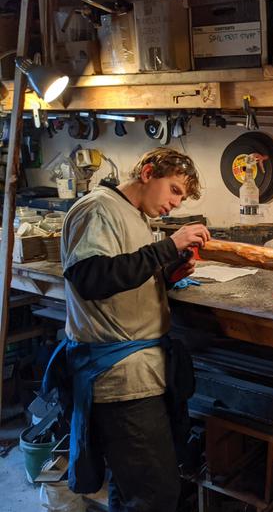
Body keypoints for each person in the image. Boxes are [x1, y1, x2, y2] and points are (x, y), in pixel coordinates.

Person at [47, 147, 211, 511]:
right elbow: (89, 278)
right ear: (149, 172)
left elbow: (119, 282)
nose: (174, 204)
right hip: (119, 380)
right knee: (156, 494)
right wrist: (167, 248)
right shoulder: (99, 208)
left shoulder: (135, 216)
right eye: (174, 190)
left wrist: (164, 276)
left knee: (132, 487)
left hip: (140, 372)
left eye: (180, 198)